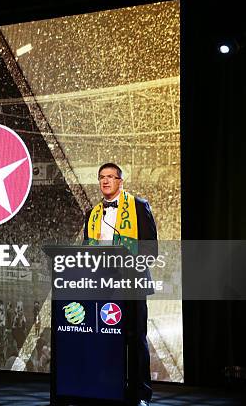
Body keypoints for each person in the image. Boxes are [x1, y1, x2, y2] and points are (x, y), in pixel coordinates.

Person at [84, 162, 157, 406]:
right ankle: (109, 389)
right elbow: (87, 251)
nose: (106, 181)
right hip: (103, 286)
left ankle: (140, 395)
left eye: (111, 177)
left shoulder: (139, 206)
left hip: (133, 283)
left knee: (135, 339)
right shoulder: (92, 213)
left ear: (120, 181)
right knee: (106, 338)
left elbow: (151, 249)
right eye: (102, 177)